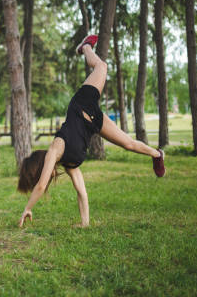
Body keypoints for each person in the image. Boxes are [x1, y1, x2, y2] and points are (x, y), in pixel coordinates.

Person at [17, 35, 165, 228]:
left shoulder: (55, 148)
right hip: (94, 121)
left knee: (101, 67)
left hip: (82, 104)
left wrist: (28, 208)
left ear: (41, 165)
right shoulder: (71, 164)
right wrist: (84, 223)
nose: (50, 175)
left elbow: (41, 186)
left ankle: (85, 46)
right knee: (128, 143)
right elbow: (81, 192)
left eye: (44, 172)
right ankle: (158, 154)